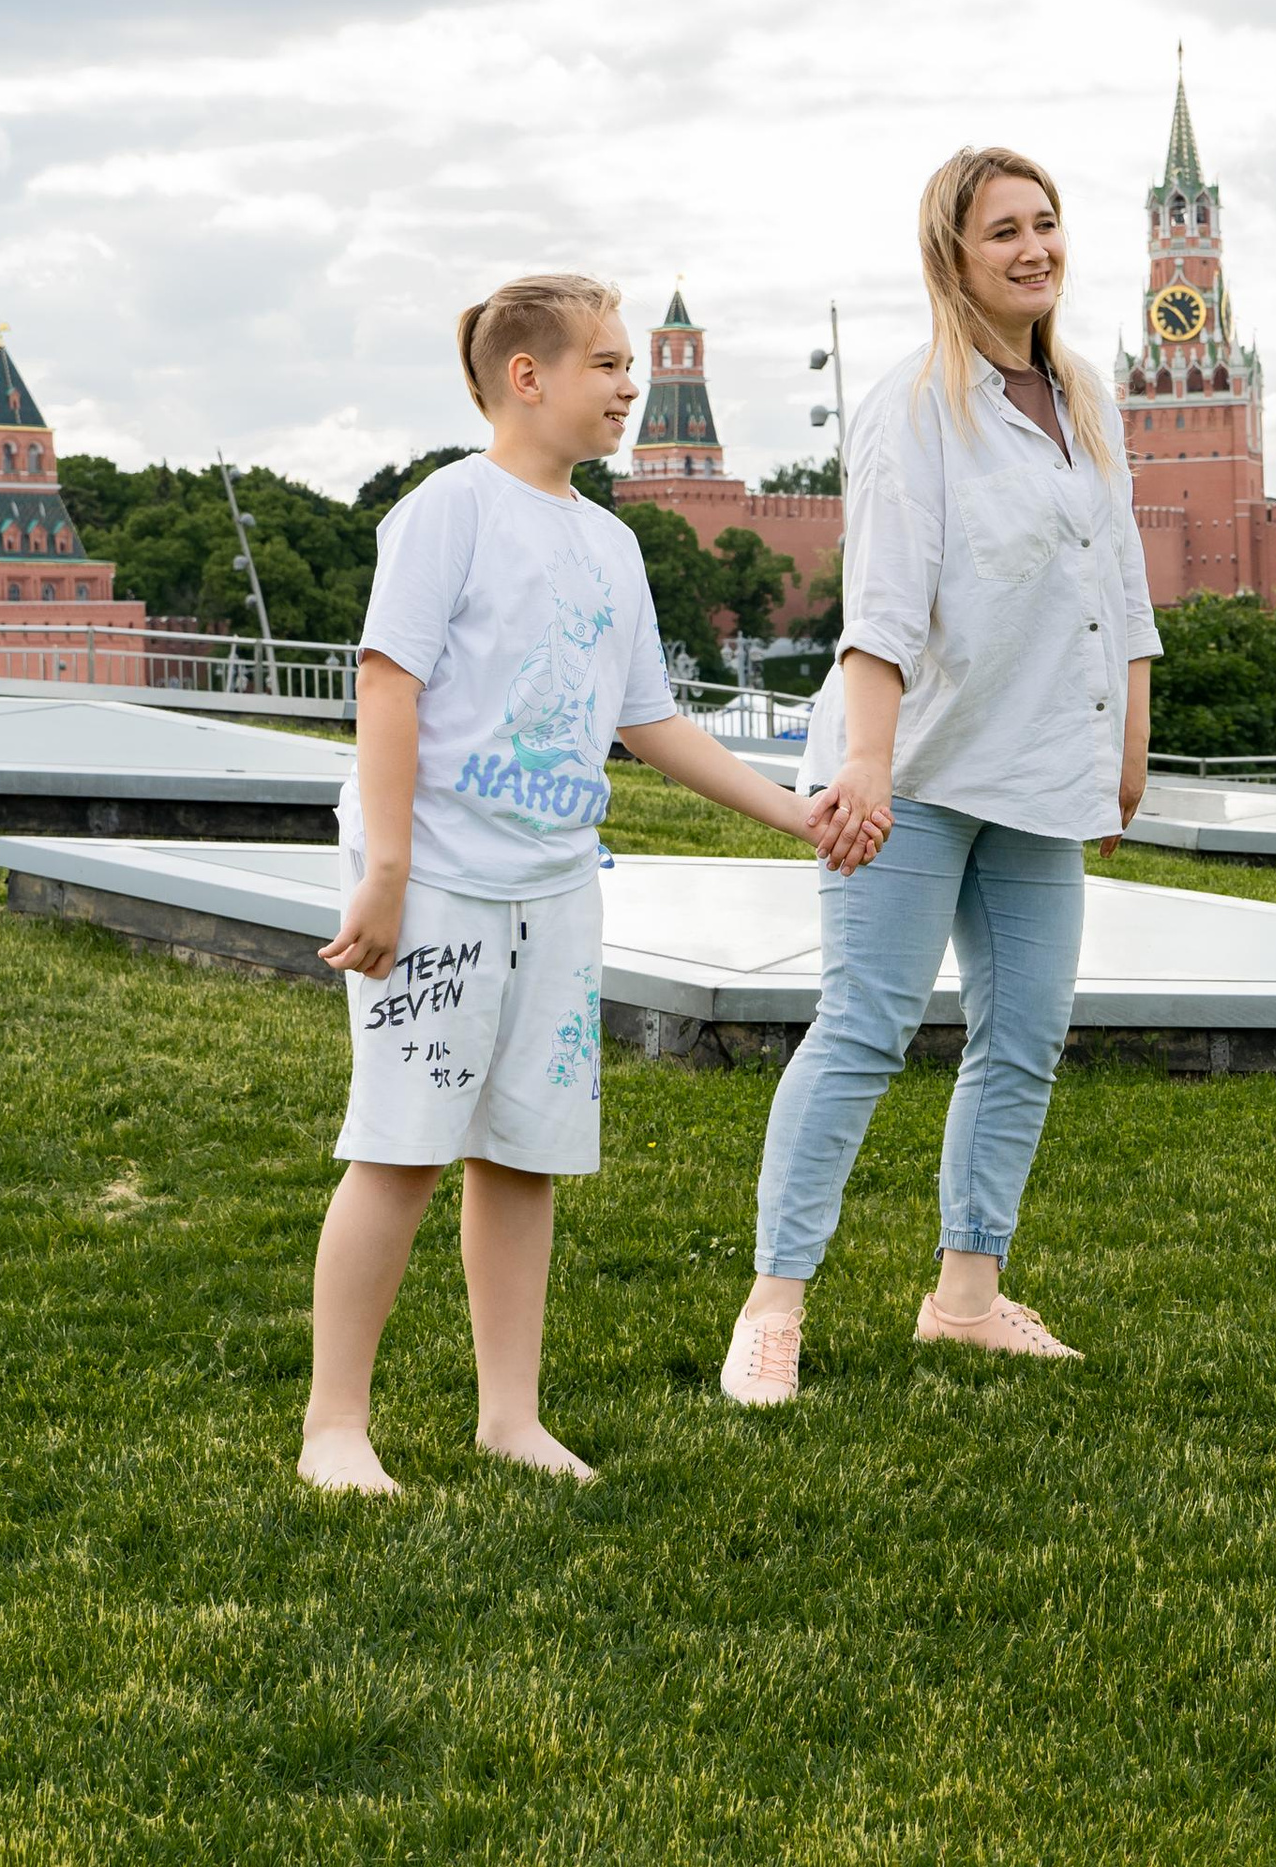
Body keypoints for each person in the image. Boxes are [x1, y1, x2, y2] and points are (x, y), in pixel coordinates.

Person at [301, 273, 879, 1498]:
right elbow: (387, 685)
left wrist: (793, 810)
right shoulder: (446, 511)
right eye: (609, 366)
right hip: (437, 885)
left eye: (630, 365)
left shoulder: (611, 542)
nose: (631, 387)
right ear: (529, 377)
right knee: (401, 1151)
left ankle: (510, 1416)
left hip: (556, 887)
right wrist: (389, 872)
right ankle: (333, 1427)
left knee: (524, 1156)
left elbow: (647, 719)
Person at [718, 146, 1160, 1403]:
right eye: (1002, 232)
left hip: (1035, 770)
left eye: (1047, 223)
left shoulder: (1086, 400)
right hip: (908, 771)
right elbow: (884, 602)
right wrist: (865, 767)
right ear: (953, 258)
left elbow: (1118, 588)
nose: (1034, 248)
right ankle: (774, 1306)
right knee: (863, 1028)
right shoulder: (914, 405)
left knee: (1024, 1035)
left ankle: (966, 1299)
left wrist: (1123, 747)